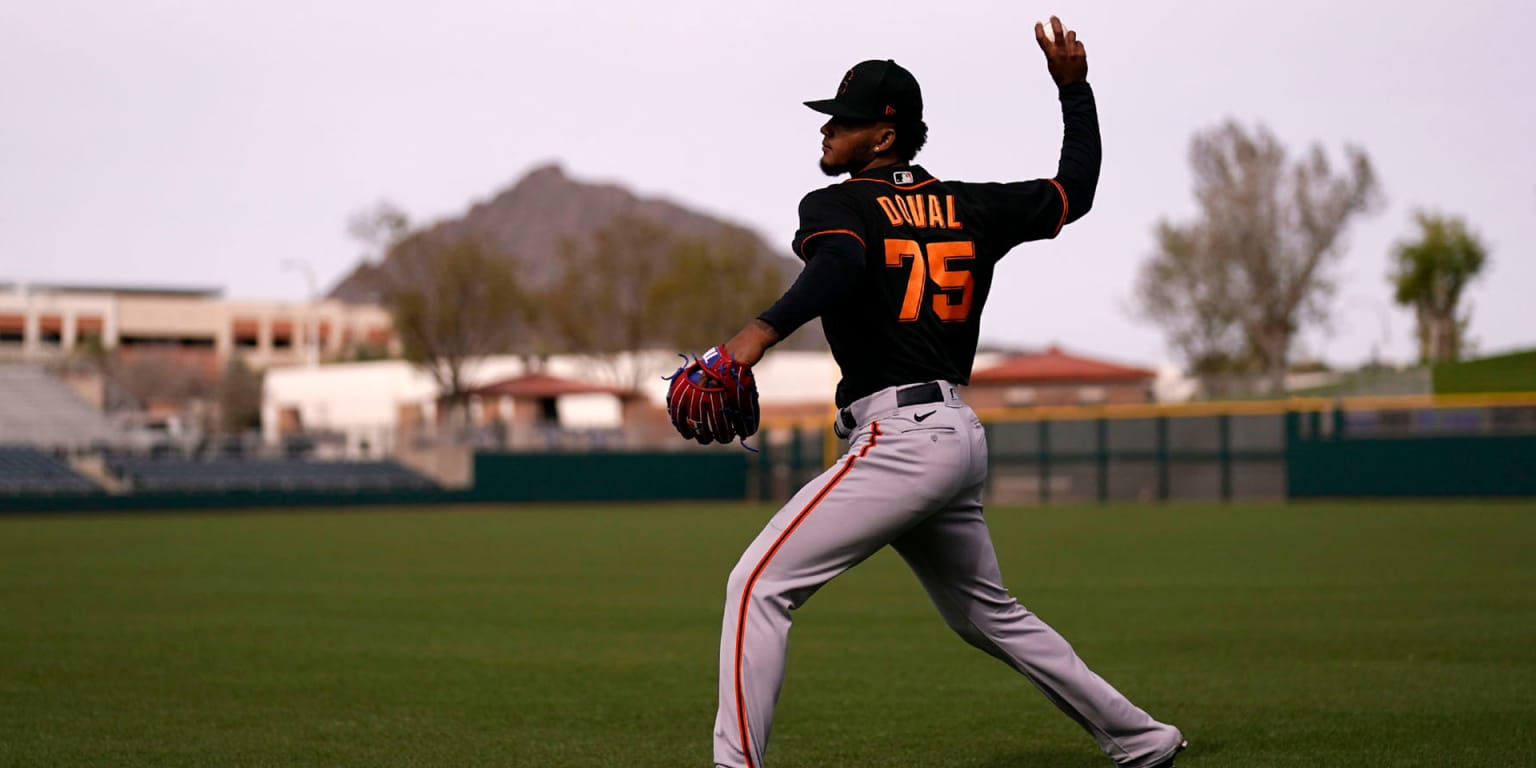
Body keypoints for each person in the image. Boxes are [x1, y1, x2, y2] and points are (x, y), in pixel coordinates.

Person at [705, 16, 1186, 768]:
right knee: (986, 614)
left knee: (757, 585)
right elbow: (1074, 191)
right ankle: (1143, 738)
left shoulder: (840, 206)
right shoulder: (971, 207)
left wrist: (759, 332)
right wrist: (1075, 93)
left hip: (899, 439)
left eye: (846, 118)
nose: (828, 130)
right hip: (956, 435)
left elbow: (838, 270)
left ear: (886, 134)